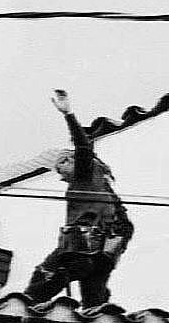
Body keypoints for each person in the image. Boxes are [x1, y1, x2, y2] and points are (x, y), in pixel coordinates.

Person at [24, 90, 134, 308]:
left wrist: (68, 114)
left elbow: (83, 147)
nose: (59, 173)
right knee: (93, 293)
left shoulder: (84, 173)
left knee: (47, 272)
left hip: (86, 241)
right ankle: (97, 315)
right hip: (107, 244)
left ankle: (24, 304)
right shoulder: (101, 184)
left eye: (60, 166)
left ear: (71, 161)